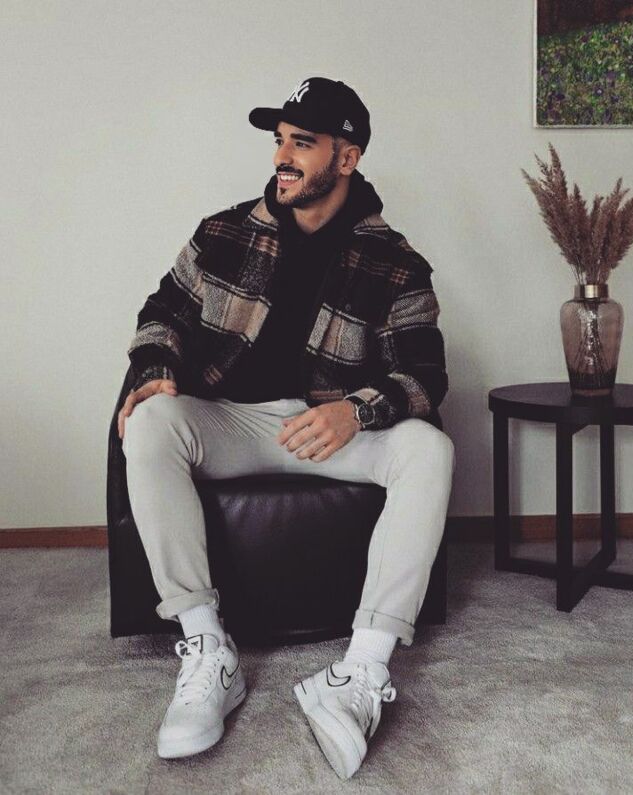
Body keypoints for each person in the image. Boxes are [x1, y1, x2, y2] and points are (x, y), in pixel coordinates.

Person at [119, 76, 455, 780]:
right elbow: (162, 311)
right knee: (150, 423)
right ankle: (209, 650)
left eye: (303, 143)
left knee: (429, 448)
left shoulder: (396, 263)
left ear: (347, 157)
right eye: (279, 141)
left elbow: (425, 375)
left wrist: (355, 410)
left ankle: (360, 672)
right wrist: (154, 368)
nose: (283, 157)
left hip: (330, 431)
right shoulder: (222, 234)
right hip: (232, 420)